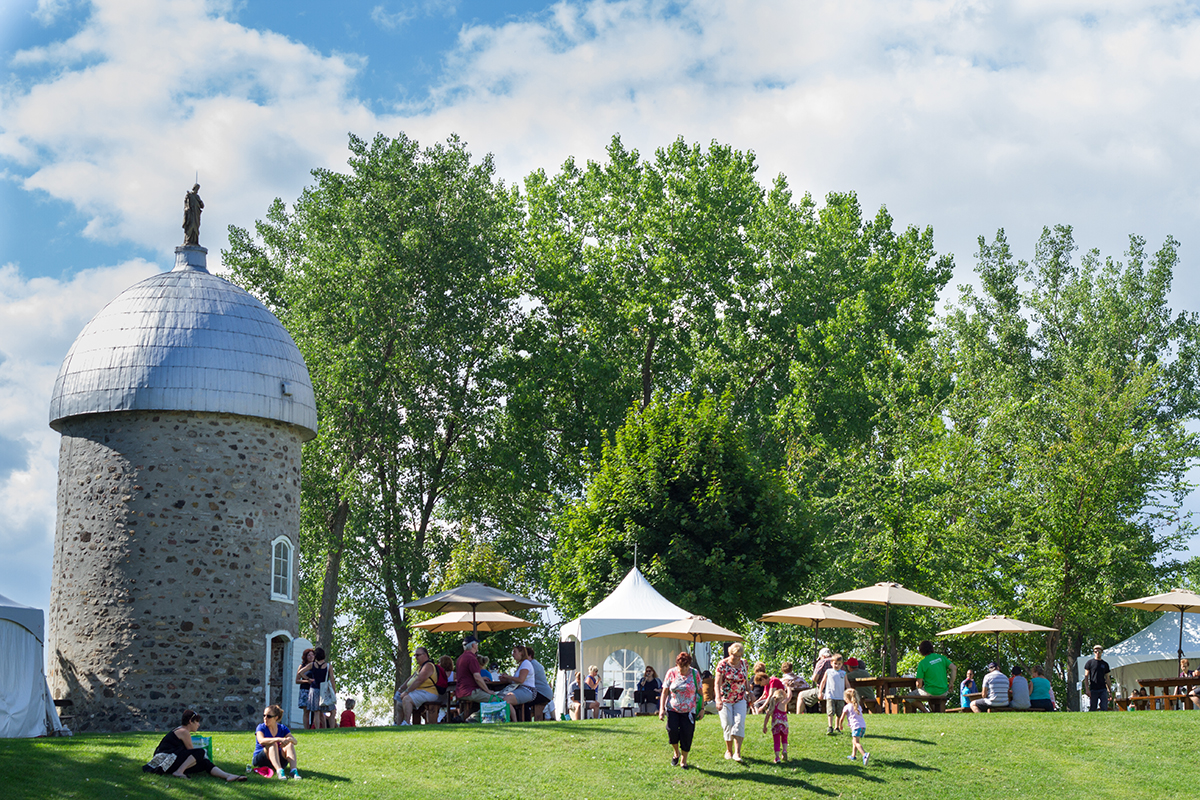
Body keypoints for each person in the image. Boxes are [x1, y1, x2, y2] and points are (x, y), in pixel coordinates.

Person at [144, 709, 246, 781]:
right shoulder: (184, 731)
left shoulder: (181, 730)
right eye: (197, 722)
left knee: (205, 763)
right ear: (190, 722)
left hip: (172, 760)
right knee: (200, 752)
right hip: (165, 761)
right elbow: (192, 752)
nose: (198, 725)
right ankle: (179, 772)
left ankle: (227, 776)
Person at [659, 651, 702, 768]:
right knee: (672, 730)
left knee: (687, 734)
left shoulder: (695, 673)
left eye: (685, 667)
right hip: (673, 708)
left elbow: (700, 691)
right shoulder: (671, 673)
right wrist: (661, 709)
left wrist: (702, 708)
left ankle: (684, 760)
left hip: (689, 710)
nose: (683, 669)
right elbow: (665, 691)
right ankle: (676, 752)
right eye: (680, 667)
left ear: (689, 664)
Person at [715, 641, 749, 762]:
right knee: (728, 724)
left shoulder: (744, 663)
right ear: (730, 653)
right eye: (735, 655)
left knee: (739, 723)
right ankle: (728, 750)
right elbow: (717, 683)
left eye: (739, 656)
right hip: (725, 698)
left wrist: (749, 691)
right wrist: (718, 699)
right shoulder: (722, 664)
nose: (737, 658)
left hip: (740, 698)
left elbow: (746, 679)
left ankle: (737, 753)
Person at [254, 704, 300, 780]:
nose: (265, 718)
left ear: (276, 717)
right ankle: (279, 771)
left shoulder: (282, 728)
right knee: (273, 744)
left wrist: (288, 740)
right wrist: (278, 739)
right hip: (261, 760)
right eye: (264, 715)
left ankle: (293, 771)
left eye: (269, 716)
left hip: (278, 758)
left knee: (290, 745)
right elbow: (261, 741)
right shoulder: (261, 727)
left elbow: (295, 741)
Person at [396, 646, 439, 725]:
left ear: (425, 655)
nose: (416, 657)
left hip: (429, 692)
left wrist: (407, 692)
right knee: (399, 703)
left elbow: (419, 680)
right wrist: (401, 688)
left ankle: (407, 722)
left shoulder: (428, 666)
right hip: (419, 692)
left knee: (407, 699)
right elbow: (411, 678)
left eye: (418, 655)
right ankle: (398, 724)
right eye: (415, 655)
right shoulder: (420, 667)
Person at [297, 647, 337, 729]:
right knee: (332, 710)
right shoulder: (328, 666)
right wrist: (334, 690)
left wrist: (308, 679)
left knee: (316, 712)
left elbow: (300, 672)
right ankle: (331, 728)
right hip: (324, 690)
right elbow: (332, 679)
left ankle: (317, 729)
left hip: (314, 689)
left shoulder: (312, 665)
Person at [455, 636, 494, 718]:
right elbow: (477, 677)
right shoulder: (472, 658)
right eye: (476, 644)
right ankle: (474, 718)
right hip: (470, 691)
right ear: (473, 645)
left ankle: (461, 717)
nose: (477, 645)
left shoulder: (460, 658)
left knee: (477, 704)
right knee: (495, 700)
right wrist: (488, 690)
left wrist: (481, 678)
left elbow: (465, 675)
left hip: (460, 691)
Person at [913, 640, 956, 712]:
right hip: (944, 690)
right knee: (934, 700)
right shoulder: (942, 658)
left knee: (909, 697)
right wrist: (951, 683)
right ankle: (936, 714)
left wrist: (917, 684)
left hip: (930, 691)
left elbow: (919, 685)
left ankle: (926, 712)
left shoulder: (923, 663)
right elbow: (954, 668)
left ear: (921, 651)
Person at [498, 645, 536, 721]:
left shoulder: (526, 663)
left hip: (528, 691)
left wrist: (508, 676)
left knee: (506, 700)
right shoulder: (521, 665)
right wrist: (505, 679)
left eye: (514, 652)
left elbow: (521, 680)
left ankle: (514, 721)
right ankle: (509, 720)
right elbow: (514, 681)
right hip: (520, 689)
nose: (513, 654)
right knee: (500, 698)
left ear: (521, 653)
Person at [524, 645, 555, 721]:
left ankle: (526, 722)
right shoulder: (534, 663)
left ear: (529, 656)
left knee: (524, 702)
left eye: (524, 655)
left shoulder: (531, 665)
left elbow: (523, 680)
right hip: (545, 693)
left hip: (543, 693)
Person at [819, 653, 846, 734]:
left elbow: (847, 683)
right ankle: (830, 726)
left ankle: (836, 727)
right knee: (830, 711)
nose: (837, 665)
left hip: (840, 696)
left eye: (839, 664)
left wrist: (849, 692)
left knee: (839, 712)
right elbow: (823, 682)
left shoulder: (843, 673)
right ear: (831, 663)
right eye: (835, 663)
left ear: (842, 664)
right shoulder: (828, 672)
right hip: (830, 695)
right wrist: (820, 692)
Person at [800, 647, 833, 713]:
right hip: (837, 690)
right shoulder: (837, 661)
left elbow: (815, 678)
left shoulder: (822, 662)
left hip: (824, 690)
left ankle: (798, 716)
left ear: (823, 656)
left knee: (801, 695)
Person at [761, 687, 789, 763]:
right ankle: (784, 750)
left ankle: (777, 757)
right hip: (784, 725)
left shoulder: (772, 706)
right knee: (784, 739)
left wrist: (764, 726)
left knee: (776, 742)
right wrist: (788, 687)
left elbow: (766, 717)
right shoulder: (783, 704)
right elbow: (790, 696)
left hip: (775, 726)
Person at [842, 688, 869, 766]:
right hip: (862, 726)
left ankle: (864, 755)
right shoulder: (857, 706)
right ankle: (853, 755)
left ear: (846, 699)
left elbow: (842, 717)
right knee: (855, 740)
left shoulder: (847, 707)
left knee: (855, 742)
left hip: (856, 727)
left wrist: (840, 725)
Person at [1083, 645, 1112, 711]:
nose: (1097, 653)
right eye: (1096, 651)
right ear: (1094, 652)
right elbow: (1086, 676)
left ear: (1102, 652)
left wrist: (1109, 691)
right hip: (1093, 689)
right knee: (1093, 707)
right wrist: (1087, 689)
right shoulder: (1089, 663)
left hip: (1103, 689)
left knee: (1104, 707)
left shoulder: (1105, 664)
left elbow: (1107, 678)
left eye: (1099, 651)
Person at [296, 647, 316, 730]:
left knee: (315, 711)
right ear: (305, 657)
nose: (311, 657)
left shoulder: (316, 666)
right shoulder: (302, 666)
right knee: (306, 711)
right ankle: (306, 728)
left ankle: (314, 727)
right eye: (309, 655)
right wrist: (307, 681)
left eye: (312, 655)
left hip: (315, 690)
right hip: (305, 690)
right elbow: (297, 680)